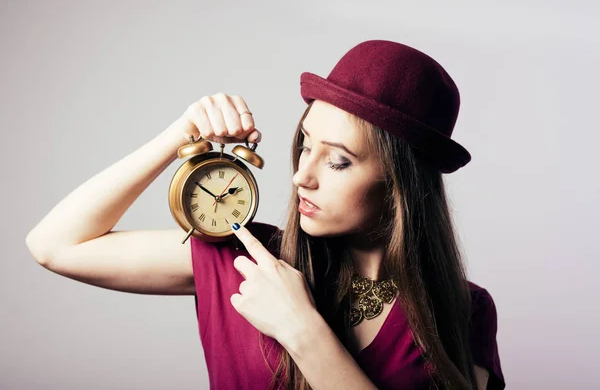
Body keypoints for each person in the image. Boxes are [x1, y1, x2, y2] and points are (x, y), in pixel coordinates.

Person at [25, 40, 505, 390]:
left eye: (337, 160)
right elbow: (55, 245)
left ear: (403, 185)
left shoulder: (465, 311)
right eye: (304, 146)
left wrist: (303, 330)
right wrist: (179, 134)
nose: (301, 176)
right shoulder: (249, 260)